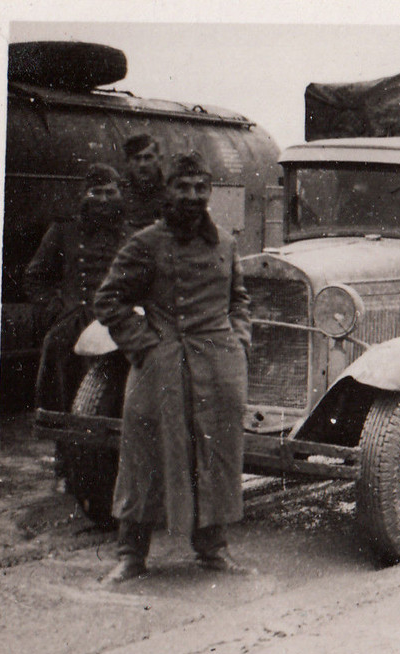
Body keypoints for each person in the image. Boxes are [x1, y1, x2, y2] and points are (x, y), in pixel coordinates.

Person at [94, 152, 253, 584]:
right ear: (167, 192)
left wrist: (239, 339)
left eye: (201, 188)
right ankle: (131, 555)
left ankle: (213, 550)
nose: (192, 196)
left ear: (210, 192)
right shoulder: (146, 243)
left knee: (215, 456)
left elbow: (238, 299)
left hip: (218, 367)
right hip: (162, 368)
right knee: (145, 456)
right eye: (183, 188)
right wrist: (144, 344)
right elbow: (109, 300)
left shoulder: (225, 243)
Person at [28, 164, 130, 415]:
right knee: (60, 361)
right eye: (97, 192)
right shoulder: (64, 230)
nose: (104, 199)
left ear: (119, 195)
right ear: (84, 196)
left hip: (117, 322)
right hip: (75, 322)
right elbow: (35, 276)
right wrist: (54, 311)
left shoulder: (133, 235)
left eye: (110, 192)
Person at [121, 133, 168, 233]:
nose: (142, 165)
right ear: (128, 162)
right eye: (136, 158)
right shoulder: (119, 194)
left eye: (148, 158)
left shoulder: (172, 193)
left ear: (159, 160)